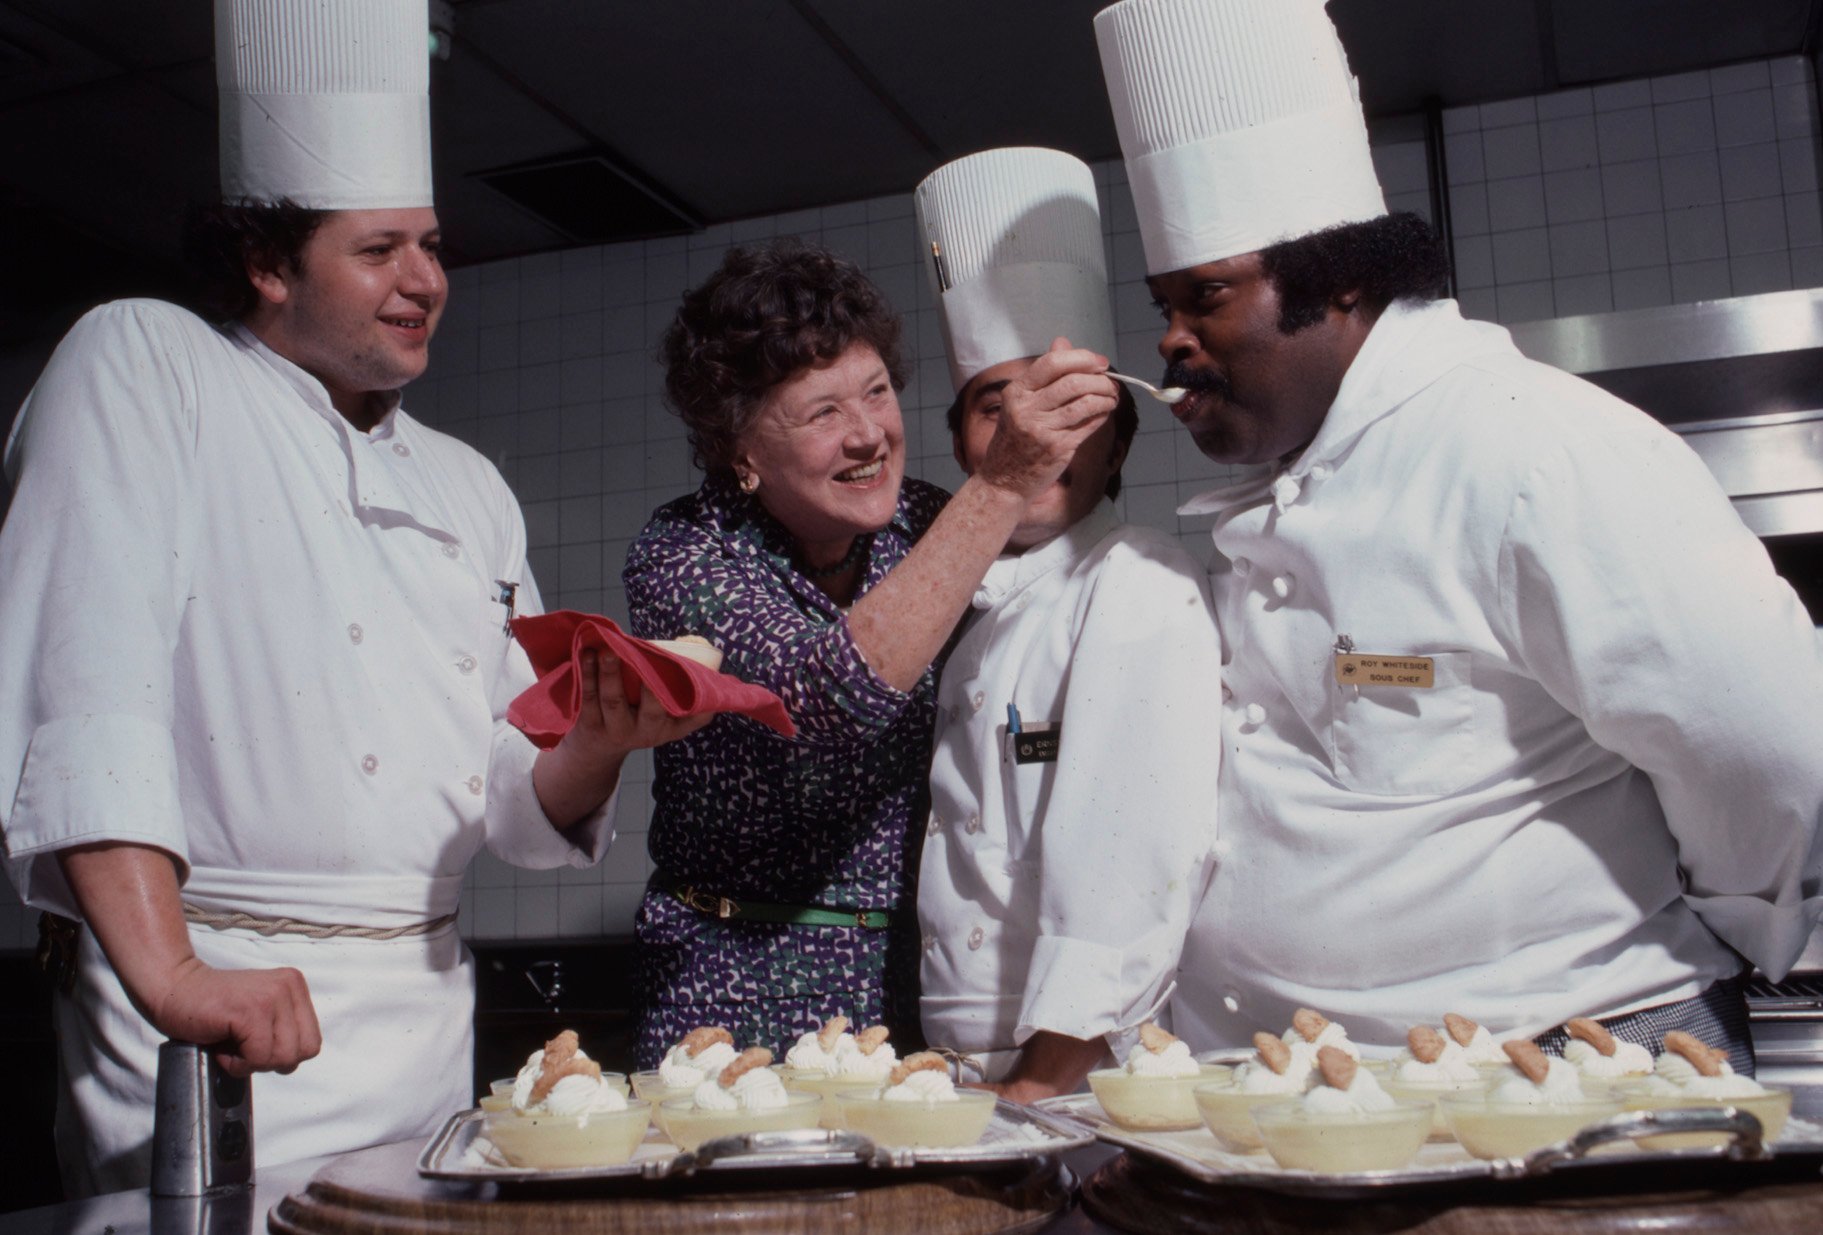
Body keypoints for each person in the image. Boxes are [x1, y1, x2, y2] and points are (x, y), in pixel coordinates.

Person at [0, 0, 689, 1196]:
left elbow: (513, 798)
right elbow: (86, 684)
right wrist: (171, 973)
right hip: (216, 1011)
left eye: (431, 245)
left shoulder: (468, 484)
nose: (426, 280)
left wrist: (600, 734)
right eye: (379, 250)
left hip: (421, 1029)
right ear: (267, 263)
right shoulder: (148, 365)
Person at [1095, 0, 1823, 1071]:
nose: (1170, 339)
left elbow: (1766, 744)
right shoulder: (1295, 479)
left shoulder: (1531, 449)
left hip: (1561, 1053)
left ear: (1338, 279)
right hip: (1314, 1078)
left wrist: (1735, 919)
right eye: (1164, 304)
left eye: (1205, 296)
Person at [624, 238, 1120, 1065]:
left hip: (912, 980)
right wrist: (999, 483)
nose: (868, 436)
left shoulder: (927, 520)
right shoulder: (684, 553)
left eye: (877, 392)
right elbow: (825, 700)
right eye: (822, 412)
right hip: (729, 987)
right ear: (740, 449)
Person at [913, 148, 1222, 1102]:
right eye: (994, 408)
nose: (1031, 435)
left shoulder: (1134, 581)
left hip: (1077, 1069)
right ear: (961, 441)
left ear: (1119, 438)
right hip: (959, 1059)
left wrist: (1041, 1082)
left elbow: (1129, 859)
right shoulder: (961, 612)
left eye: (1068, 409)